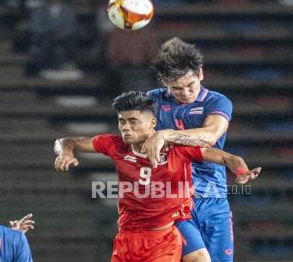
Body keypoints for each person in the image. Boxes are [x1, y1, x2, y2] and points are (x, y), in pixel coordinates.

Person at [53, 91, 260, 262]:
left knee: (201, 258)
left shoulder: (177, 149)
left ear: (152, 122)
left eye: (133, 121)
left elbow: (227, 158)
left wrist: (241, 171)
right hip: (127, 236)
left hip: (164, 235)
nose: (126, 127)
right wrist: (66, 152)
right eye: (122, 121)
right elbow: (66, 140)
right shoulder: (115, 145)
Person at [143, 37, 236, 261]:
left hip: (214, 197)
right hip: (171, 198)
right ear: (164, 82)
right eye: (176, 88)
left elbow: (210, 135)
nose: (185, 92)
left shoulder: (217, 102)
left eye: (190, 85)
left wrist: (166, 134)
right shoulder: (151, 102)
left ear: (200, 74)